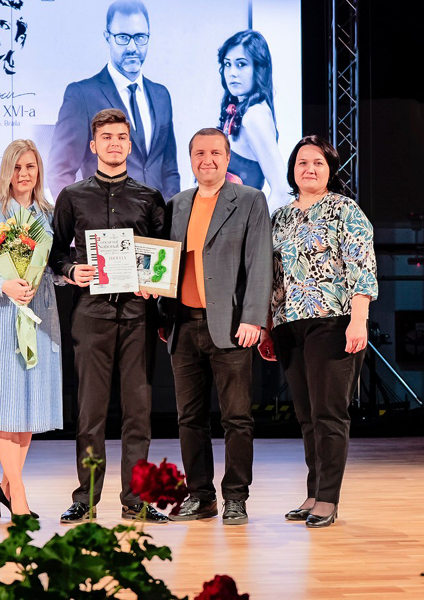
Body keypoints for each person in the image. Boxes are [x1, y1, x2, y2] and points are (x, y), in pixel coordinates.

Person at [51, 108, 168, 524]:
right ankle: (86, 498)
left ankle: (136, 500)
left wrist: (155, 281)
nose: (114, 144)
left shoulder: (149, 197)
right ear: (93, 145)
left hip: (138, 315)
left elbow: (163, 255)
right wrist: (71, 270)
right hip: (91, 314)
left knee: (138, 412)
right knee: (90, 413)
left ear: (129, 145)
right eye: (106, 137)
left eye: (121, 137)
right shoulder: (72, 196)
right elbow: (55, 252)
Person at [258, 135, 377, 528]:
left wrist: (358, 319)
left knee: (329, 413)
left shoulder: (345, 209)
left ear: (330, 170)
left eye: (318, 163)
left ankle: (328, 498)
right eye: (302, 163)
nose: (309, 169)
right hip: (289, 325)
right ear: (292, 170)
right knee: (307, 416)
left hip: (334, 320)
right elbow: (273, 277)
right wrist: (269, 326)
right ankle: (313, 492)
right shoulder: (279, 217)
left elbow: (362, 266)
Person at [159, 128, 272, 525]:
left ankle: (236, 497)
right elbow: (165, 264)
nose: (207, 160)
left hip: (231, 326)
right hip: (183, 326)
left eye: (215, 153)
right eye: (199, 153)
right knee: (189, 419)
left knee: (236, 418)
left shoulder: (250, 200)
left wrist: (254, 317)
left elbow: (260, 262)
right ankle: (200, 496)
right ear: (190, 159)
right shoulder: (176, 204)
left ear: (227, 158)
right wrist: (161, 309)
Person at [0, 139, 63, 518]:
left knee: (27, 406)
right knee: (3, 405)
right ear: (6, 172)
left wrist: (71, 274)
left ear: (39, 170)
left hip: (40, 313)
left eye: (30, 166)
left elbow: (56, 266)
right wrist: (3, 285)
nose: (24, 174)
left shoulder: (50, 214)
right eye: (17, 167)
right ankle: (19, 493)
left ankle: (7, 486)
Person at [48, 0, 180, 201]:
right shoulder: (82, 95)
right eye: (123, 38)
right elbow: (60, 171)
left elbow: (169, 169)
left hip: (156, 218)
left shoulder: (161, 95)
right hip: (104, 217)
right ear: (107, 37)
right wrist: (80, 214)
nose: (132, 47)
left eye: (140, 37)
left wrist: (170, 214)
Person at [217, 30, 291, 214]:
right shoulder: (240, 110)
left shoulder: (254, 115)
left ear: (259, 68)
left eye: (241, 64)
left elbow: (282, 190)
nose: (232, 73)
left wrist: (255, 230)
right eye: (227, 64)